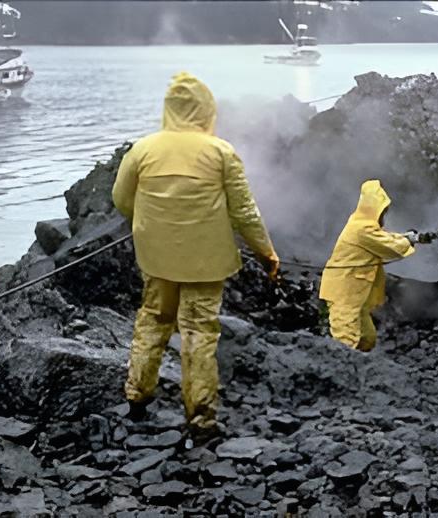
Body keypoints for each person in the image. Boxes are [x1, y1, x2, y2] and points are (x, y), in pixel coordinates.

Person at [112, 72, 279, 438]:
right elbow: (244, 212)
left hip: (156, 257)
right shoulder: (221, 152)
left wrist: (151, 224)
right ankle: (200, 418)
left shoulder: (142, 149)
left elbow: (122, 199)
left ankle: (137, 399)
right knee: (199, 332)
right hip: (206, 262)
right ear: (206, 110)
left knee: (153, 321)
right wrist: (266, 252)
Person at [319, 180, 416, 352]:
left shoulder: (362, 224)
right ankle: (342, 366)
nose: (384, 216)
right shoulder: (362, 229)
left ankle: (358, 362)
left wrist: (405, 237)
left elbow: (382, 237)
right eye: (383, 211)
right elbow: (390, 246)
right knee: (345, 340)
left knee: (367, 337)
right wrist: (409, 240)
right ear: (374, 210)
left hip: (355, 293)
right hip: (344, 292)